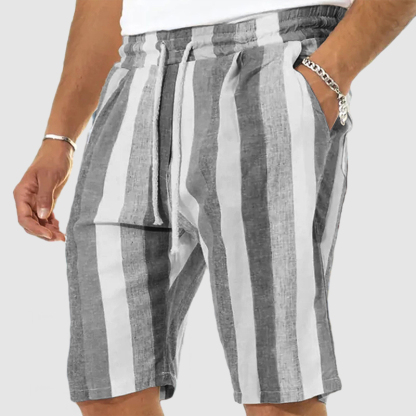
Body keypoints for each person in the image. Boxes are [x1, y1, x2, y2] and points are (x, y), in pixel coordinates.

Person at [12, 0, 416, 415]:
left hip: (269, 57)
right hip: (134, 74)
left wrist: (328, 75)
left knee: (278, 389)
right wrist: (59, 137)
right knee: (107, 387)